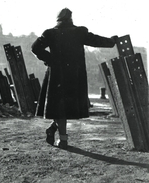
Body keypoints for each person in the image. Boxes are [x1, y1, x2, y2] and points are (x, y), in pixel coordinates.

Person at [31, 8, 118, 149]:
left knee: (58, 107)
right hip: (74, 76)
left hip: (56, 76)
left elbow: (35, 48)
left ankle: (57, 132)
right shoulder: (79, 33)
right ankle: (61, 138)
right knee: (68, 107)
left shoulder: (50, 33)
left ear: (57, 20)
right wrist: (112, 41)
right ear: (71, 19)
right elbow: (97, 40)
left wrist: (50, 60)